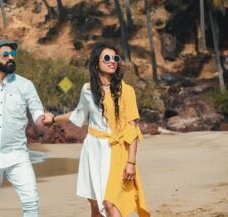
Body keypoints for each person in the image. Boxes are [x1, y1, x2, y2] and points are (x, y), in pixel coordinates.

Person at [44, 44, 149, 217]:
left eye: (115, 58)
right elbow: (78, 114)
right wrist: (53, 119)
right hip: (92, 149)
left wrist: (131, 162)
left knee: (110, 203)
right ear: (96, 63)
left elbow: (132, 127)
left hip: (116, 151)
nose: (112, 62)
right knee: (95, 204)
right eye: (106, 58)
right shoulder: (87, 90)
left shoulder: (127, 91)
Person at [0, 40, 54, 217]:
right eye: (5, 55)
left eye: (12, 54)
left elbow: (37, 114)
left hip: (18, 156)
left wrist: (46, 119)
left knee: (31, 201)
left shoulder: (25, 85)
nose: (10, 58)